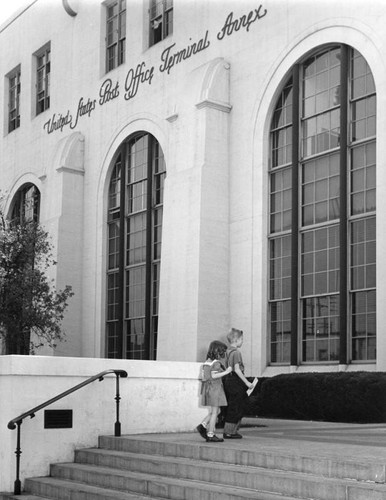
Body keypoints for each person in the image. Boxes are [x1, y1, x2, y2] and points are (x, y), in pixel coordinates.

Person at [196, 340, 232, 442]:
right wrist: (226, 372)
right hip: (215, 389)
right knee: (215, 412)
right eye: (223, 352)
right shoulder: (216, 363)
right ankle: (211, 434)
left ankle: (203, 425)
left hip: (208, 389)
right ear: (218, 351)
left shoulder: (206, 363)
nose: (224, 354)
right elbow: (213, 375)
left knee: (216, 411)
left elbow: (204, 377)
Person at [222, 328, 254, 439]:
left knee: (233, 405)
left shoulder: (226, 352)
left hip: (228, 380)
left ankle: (231, 431)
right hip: (235, 381)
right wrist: (247, 382)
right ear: (236, 339)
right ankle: (230, 431)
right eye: (242, 339)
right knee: (237, 406)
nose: (242, 341)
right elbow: (237, 369)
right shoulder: (236, 353)